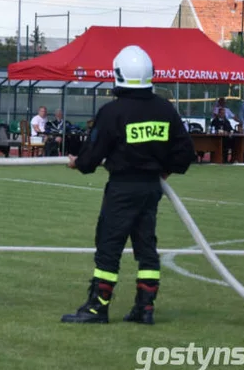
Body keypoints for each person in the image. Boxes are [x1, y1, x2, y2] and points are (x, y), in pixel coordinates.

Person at [61, 45, 196, 325]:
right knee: (146, 247)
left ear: (118, 74)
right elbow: (185, 154)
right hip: (151, 188)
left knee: (109, 246)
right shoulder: (164, 110)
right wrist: (163, 173)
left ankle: (97, 308)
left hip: (122, 188)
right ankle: (145, 308)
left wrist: (77, 162)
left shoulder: (113, 112)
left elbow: (90, 159)